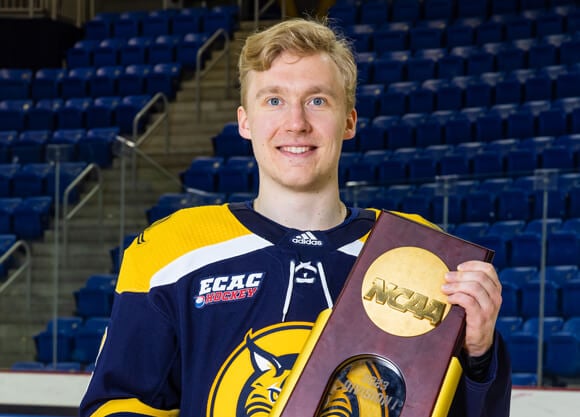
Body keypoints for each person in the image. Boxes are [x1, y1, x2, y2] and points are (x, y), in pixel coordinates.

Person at [80, 18, 511, 417]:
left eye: (317, 100)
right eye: (274, 100)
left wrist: (479, 357)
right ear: (245, 122)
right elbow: (117, 405)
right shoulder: (170, 250)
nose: (296, 122)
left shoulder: (414, 254)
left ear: (349, 120)